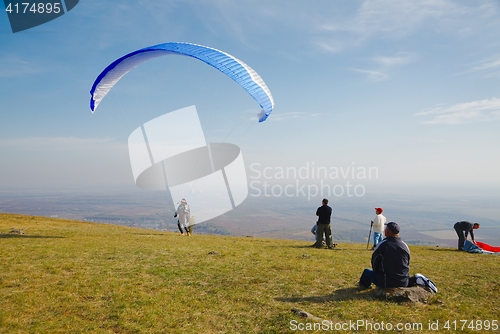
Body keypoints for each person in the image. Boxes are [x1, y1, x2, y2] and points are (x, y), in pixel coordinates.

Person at [359, 222, 410, 289]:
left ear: (387, 232)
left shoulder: (382, 245)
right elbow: (407, 262)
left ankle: (365, 286)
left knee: (367, 272)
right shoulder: (404, 245)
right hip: (403, 282)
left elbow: (375, 263)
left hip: (386, 282)